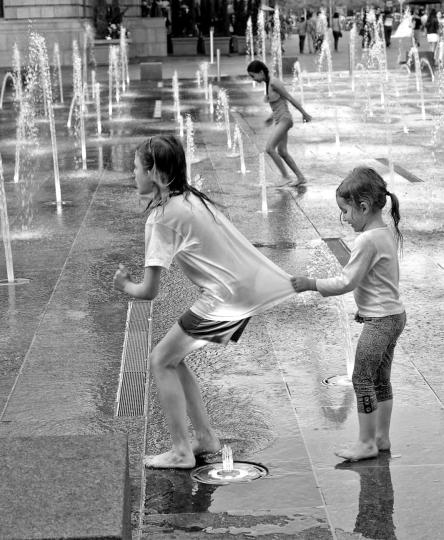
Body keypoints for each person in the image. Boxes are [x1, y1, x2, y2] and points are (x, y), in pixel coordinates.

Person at [113, 135, 295, 469]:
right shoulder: (189, 199)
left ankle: (182, 450)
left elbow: (149, 291)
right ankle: (205, 437)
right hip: (238, 291)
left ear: (153, 173)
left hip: (226, 299)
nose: (133, 175)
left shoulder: (162, 217)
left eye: (137, 168)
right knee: (173, 359)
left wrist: (124, 285)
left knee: (159, 361)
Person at [290, 167, 406, 462]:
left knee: (361, 378)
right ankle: (381, 437)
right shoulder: (385, 231)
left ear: (364, 207)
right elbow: (379, 281)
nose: (344, 218)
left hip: (381, 322)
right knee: (380, 379)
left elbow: (346, 281)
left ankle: (366, 442)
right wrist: (365, 310)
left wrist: (310, 284)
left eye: (346, 211)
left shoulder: (367, 240)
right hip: (392, 316)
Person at [247, 59, 312, 187]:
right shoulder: (268, 83)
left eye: (253, 76)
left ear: (260, 72)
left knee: (269, 148)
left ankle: (286, 177)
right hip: (279, 120)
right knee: (282, 151)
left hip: (285, 119)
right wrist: (271, 117)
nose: (253, 79)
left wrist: (304, 113)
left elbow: (289, 98)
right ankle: (300, 177)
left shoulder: (274, 83)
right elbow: (279, 104)